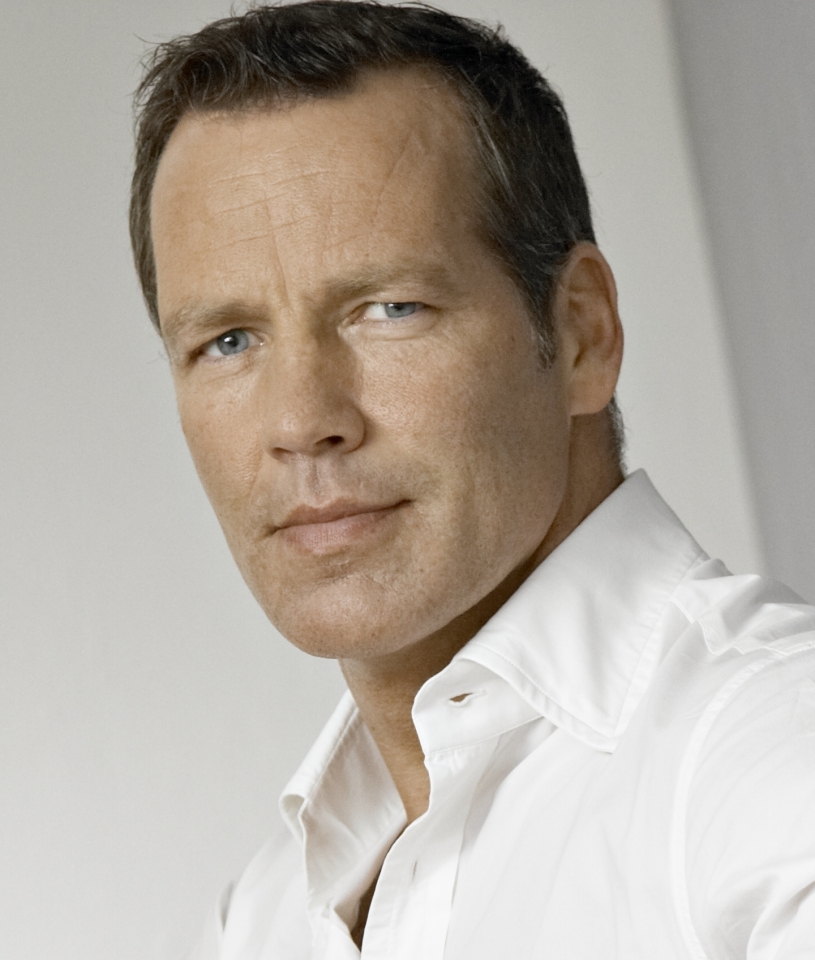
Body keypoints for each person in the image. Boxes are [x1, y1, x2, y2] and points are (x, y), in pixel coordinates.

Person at [130, 3, 815, 957]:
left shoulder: (773, 761)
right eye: (229, 340)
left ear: (580, 333)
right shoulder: (263, 919)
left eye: (388, 308)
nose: (301, 420)